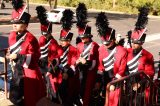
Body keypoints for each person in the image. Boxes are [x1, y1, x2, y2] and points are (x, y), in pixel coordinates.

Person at [7, 2, 46, 106]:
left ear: (25, 25)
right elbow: (13, 49)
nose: (14, 25)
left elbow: (35, 57)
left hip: (29, 71)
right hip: (17, 71)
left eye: (18, 22)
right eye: (13, 22)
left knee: (30, 99)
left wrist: (18, 56)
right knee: (14, 97)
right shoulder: (11, 35)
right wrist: (10, 53)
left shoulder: (31, 39)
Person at [95, 12, 127, 106]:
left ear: (113, 40)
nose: (106, 45)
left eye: (108, 43)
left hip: (116, 81)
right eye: (104, 43)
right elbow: (100, 67)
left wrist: (114, 83)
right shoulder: (101, 49)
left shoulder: (122, 51)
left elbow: (122, 70)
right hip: (104, 79)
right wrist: (97, 81)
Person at [126, 7, 155, 106]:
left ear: (142, 42)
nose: (133, 45)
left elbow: (150, 72)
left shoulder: (148, 55)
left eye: (136, 43)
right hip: (127, 83)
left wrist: (139, 84)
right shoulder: (127, 51)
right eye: (132, 42)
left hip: (140, 86)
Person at [36, 5, 63, 103]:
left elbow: (56, 59)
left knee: (50, 90)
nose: (44, 35)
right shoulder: (41, 39)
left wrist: (50, 70)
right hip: (41, 66)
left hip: (49, 68)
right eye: (43, 33)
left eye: (46, 33)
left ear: (50, 32)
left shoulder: (53, 42)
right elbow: (39, 53)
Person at [76, 25, 99, 106]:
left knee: (87, 93)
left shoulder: (94, 45)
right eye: (81, 37)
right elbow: (77, 57)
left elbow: (94, 64)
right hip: (81, 71)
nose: (82, 39)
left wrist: (85, 62)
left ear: (89, 36)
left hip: (90, 73)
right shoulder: (79, 45)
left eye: (84, 37)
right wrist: (77, 61)